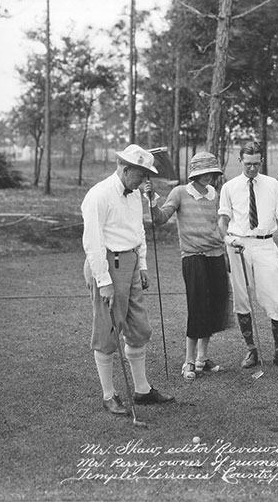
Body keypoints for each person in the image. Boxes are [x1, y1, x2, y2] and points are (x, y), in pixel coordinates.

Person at [81, 144, 174, 416]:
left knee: (139, 328)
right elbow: (93, 243)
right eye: (142, 174)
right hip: (109, 265)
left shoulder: (134, 195)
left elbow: (139, 232)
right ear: (125, 168)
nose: (146, 180)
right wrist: (104, 281)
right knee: (107, 331)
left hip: (131, 263)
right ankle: (109, 395)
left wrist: (142, 265)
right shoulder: (98, 195)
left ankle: (142, 390)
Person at [142, 152, 230, 381]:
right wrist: (152, 199)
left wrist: (228, 248)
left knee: (214, 306)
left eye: (211, 172)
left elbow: (218, 226)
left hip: (216, 254)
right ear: (194, 173)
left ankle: (202, 358)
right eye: (203, 172)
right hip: (193, 257)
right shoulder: (180, 192)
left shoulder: (214, 194)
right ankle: (189, 361)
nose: (208, 176)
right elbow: (160, 219)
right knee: (197, 307)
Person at [218, 141, 278, 370]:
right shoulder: (229, 187)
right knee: (242, 299)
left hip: (265, 245)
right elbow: (222, 221)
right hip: (238, 245)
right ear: (240, 161)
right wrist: (228, 239)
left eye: (256, 163)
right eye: (248, 163)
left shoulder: (272, 185)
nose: (252, 168)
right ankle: (251, 350)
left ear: (261, 161)